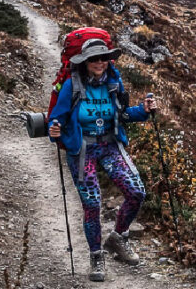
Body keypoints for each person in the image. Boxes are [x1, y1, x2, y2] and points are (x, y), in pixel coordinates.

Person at [48, 37, 157, 282]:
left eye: (104, 58)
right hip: (82, 149)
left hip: (110, 145)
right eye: (94, 59)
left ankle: (118, 237)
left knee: (137, 192)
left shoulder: (113, 83)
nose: (100, 62)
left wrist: (144, 111)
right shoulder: (71, 86)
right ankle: (96, 255)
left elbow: (123, 114)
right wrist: (54, 129)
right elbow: (57, 118)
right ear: (85, 62)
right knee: (93, 204)